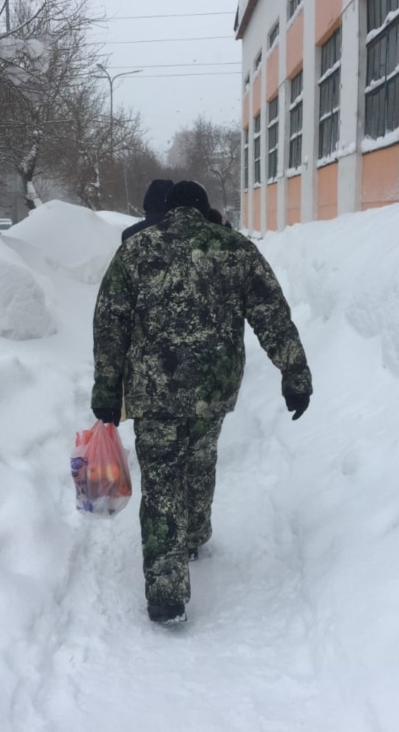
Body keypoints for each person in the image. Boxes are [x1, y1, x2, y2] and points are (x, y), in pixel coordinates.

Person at [92, 180, 312, 625]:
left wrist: (106, 392)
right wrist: (295, 373)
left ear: (168, 210)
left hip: (155, 392)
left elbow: (109, 325)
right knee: (200, 456)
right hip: (214, 390)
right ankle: (193, 534)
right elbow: (271, 313)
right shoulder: (233, 248)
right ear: (203, 208)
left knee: (161, 482)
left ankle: (166, 592)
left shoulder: (137, 249)